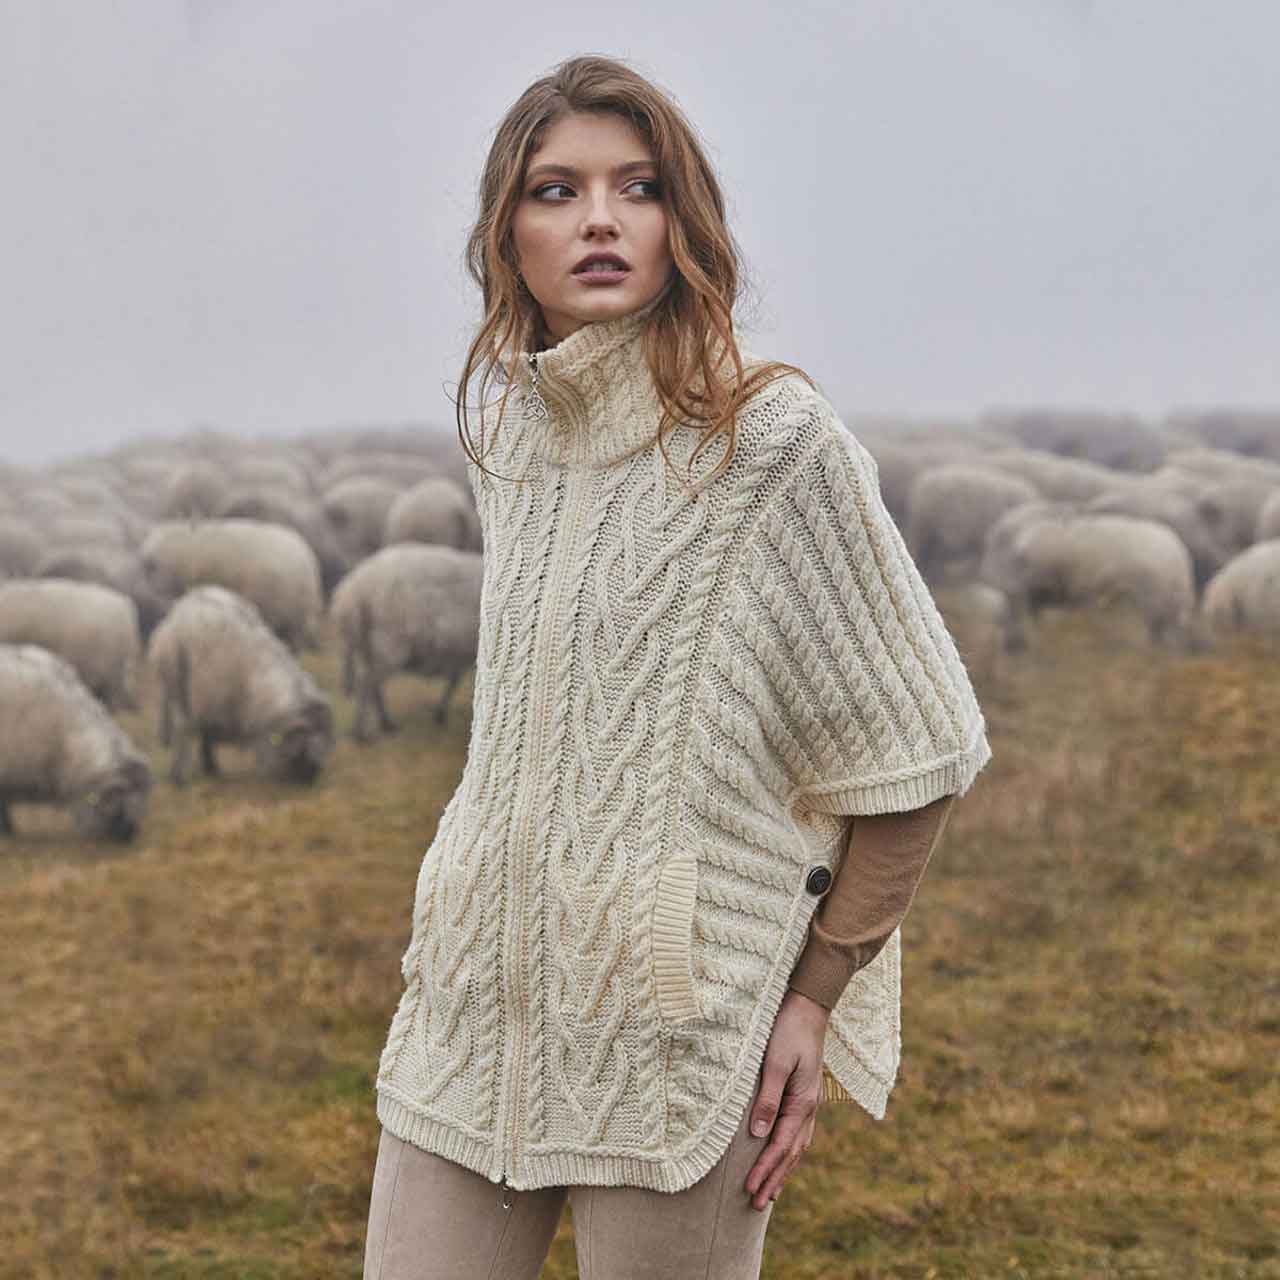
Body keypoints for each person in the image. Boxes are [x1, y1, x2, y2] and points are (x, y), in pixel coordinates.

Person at [363, 53, 991, 1280]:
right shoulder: (512, 437)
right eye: (555, 190)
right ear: (507, 235)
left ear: (679, 222)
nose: (598, 218)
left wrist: (813, 995)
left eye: (636, 187)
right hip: (469, 1012)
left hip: (677, 1038)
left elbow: (920, 746)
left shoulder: (772, 441)